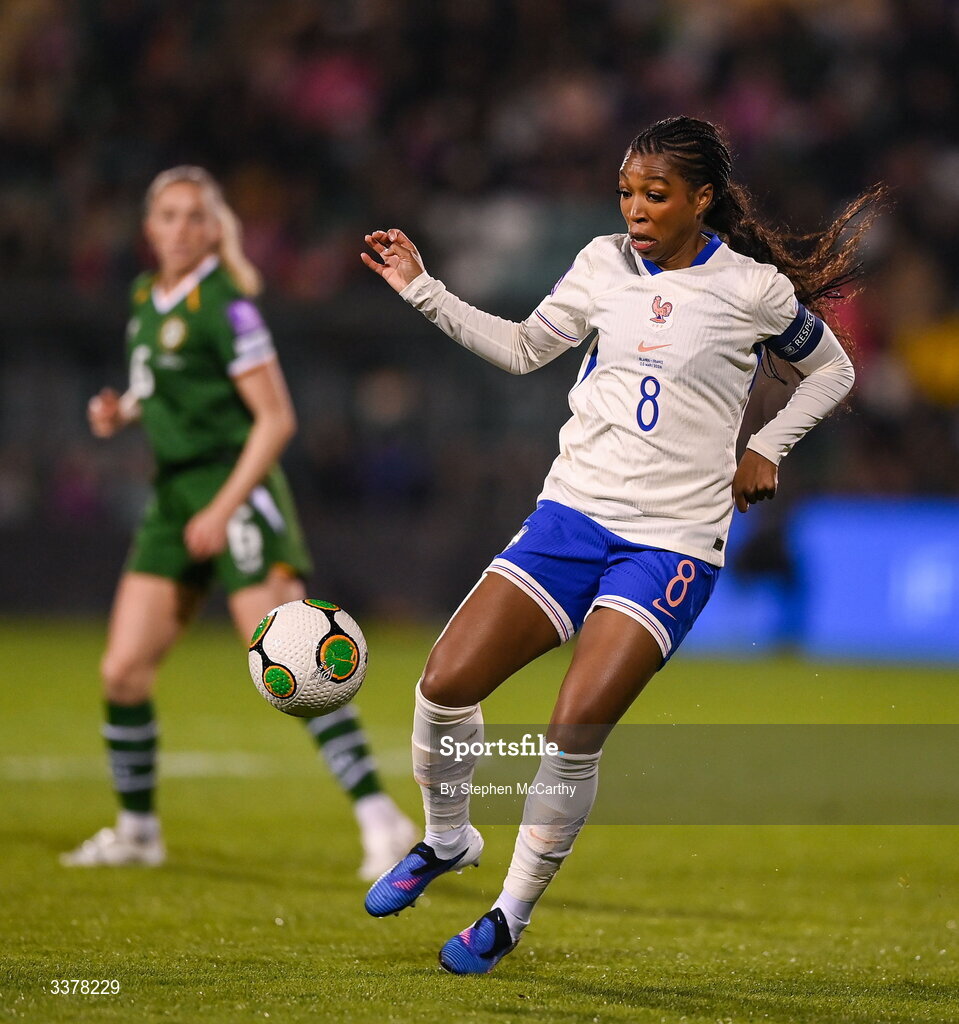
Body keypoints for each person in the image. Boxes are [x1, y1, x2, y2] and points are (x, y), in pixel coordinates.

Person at [359, 117, 883, 973]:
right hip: (570, 518)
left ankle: (505, 918)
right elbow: (527, 348)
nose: (634, 209)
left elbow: (832, 369)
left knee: (573, 728)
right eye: (626, 193)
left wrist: (765, 447)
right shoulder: (600, 264)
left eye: (654, 194)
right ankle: (447, 841)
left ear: (701, 199)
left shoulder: (751, 290)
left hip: (671, 543)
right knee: (444, 683)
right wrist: (424, 288)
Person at [61, 166, 414, 878]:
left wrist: (223, 508)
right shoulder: (146, 296)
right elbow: (158, 380)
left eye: (196, 216)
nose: (182, 228)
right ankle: (137, 831)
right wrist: (121, 411)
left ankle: (384, 823)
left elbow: (276, 419)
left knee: (299, 663)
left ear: (215, 229)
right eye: (169, 215)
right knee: (123, 671)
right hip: (174, 500)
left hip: (237, 494)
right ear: (150, 227)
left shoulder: (227, 307)